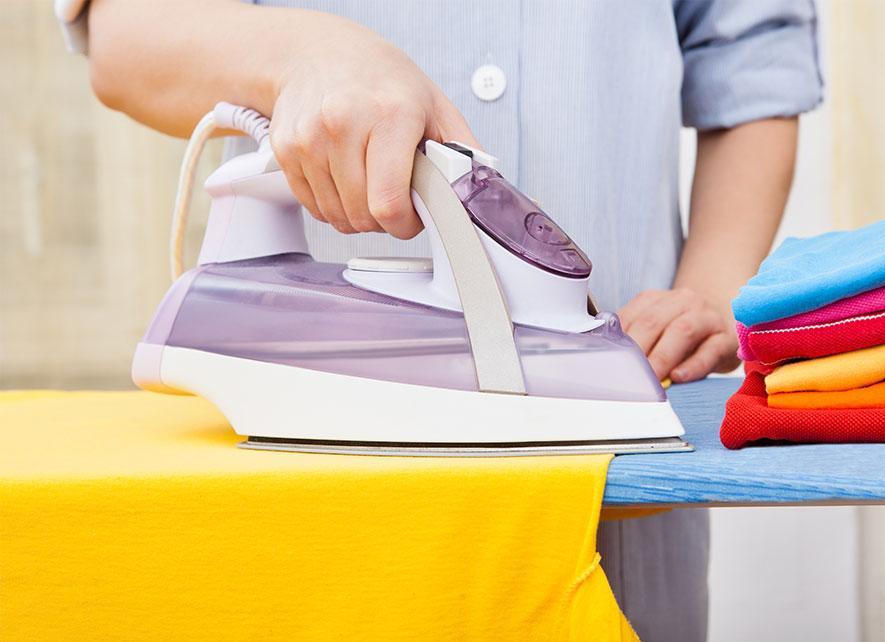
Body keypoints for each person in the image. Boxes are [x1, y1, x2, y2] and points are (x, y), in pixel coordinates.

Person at [58, 1, 822, 639]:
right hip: (317, 523)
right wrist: (306, 56)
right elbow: (124, 35)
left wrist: (711, 289)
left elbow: (752, 60)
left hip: (612, 517)